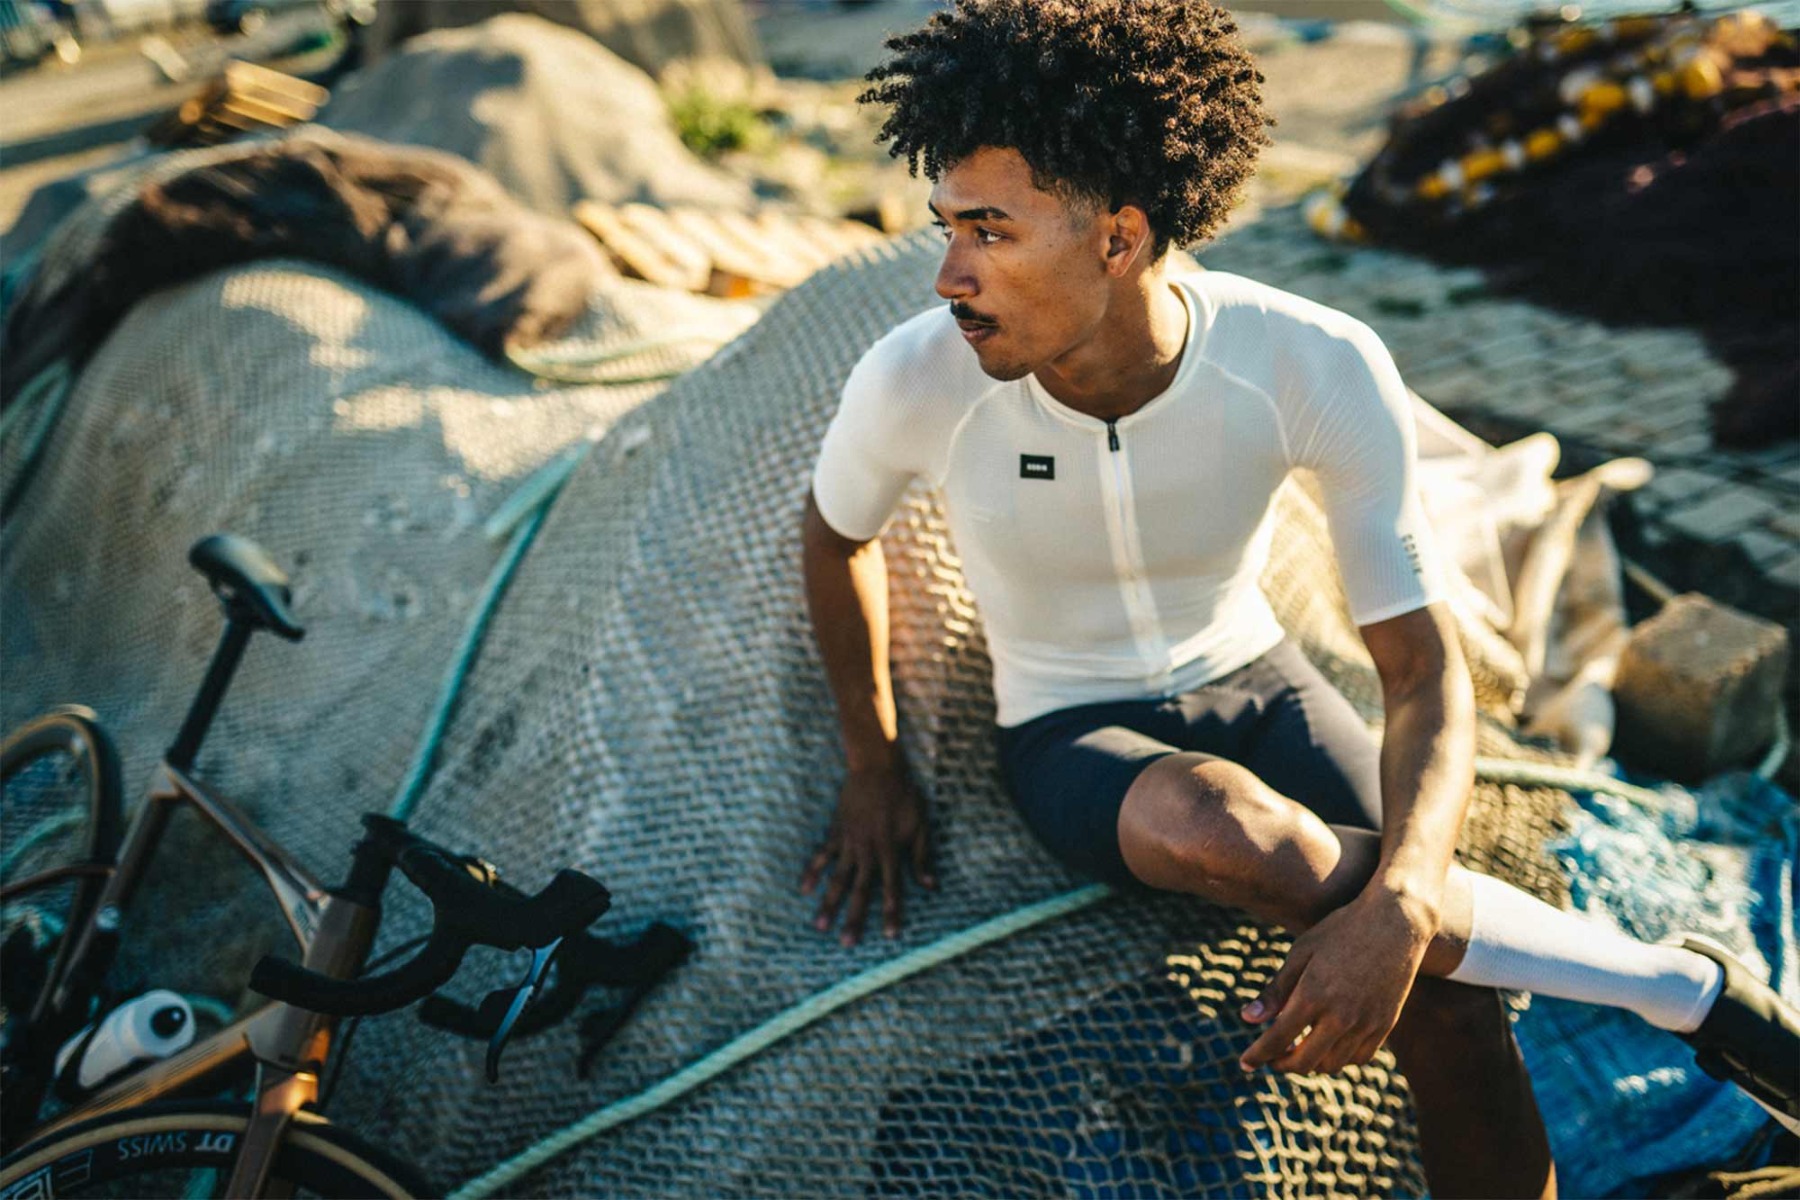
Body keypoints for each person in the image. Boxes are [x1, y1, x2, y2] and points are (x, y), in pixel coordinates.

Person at [797, 2, 1800, 1195]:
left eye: (990, 232)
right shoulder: (919, 376)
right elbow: (835, 536)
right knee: (1228, 822)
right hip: (1071, 729)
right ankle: (1674, 989)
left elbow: (1423, 671)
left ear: (1118, 239)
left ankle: (1673, 992)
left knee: (1446, 1004)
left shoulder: (1303, 360)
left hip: (1260, 680)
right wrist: (873, 761)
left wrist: (1408, 905)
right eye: (945, 227)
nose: (950, 274)